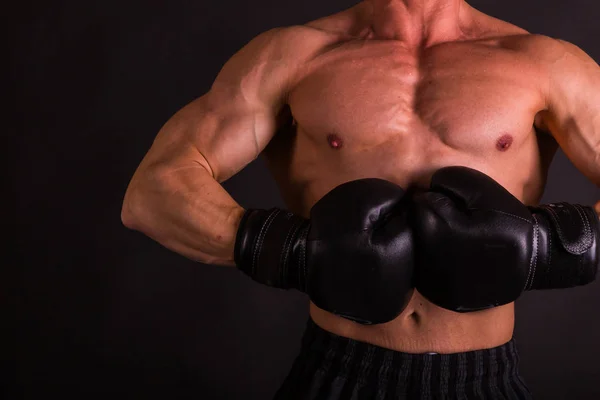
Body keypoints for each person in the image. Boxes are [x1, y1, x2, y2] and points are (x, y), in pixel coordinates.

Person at [121, 0, 600, 398]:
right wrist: (292, 252)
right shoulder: (293, 55)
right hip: (336, 374)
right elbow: (154, 190)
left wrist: (550, 249)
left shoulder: (541, 63)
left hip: (486, 379)